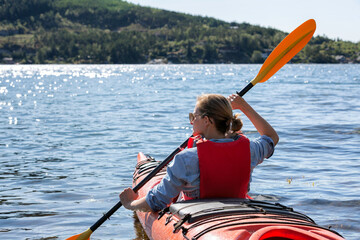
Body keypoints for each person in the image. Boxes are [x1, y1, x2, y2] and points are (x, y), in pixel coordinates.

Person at [119, 93, 279, 212]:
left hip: (197, 217)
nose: (191, 121)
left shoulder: (185, 159)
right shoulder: (250, 149)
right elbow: (271, 137)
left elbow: (156, 202)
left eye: (193, 116)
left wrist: (130, 204)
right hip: (236, 211)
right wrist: (244, 106)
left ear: (207, 121)